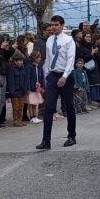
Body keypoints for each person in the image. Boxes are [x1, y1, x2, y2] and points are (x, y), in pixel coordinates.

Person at [36, 15, 77, 150]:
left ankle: (71, 135)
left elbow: (70, 60)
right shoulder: (49, 40)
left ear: (62, 25)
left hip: (66, 76)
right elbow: (48, 59)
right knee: (48, 108)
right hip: (53, 76)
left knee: (69, 106)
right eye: (52, 25)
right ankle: (46, 140)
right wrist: (46, 75)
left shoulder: (68, 40)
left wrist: (64, 76)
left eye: (56, 25)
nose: (53, 27)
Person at [6, 51, 30, 126]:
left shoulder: (23, 69)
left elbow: (25, 80)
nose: (21, 62)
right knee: (15, 107)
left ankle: (20, 120)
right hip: (14, 92)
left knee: (21, 107)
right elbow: (11, 81)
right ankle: (15, 121)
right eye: (19, 61)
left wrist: (25, 89)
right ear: (15, 61)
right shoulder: (12, 69)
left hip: (22, 91)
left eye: (22, 61)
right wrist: (12, 92)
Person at [26, 49, 45, 123]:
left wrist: (42, 87)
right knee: (31, 103)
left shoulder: (39, 67)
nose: (40, 59)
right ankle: (31, 117)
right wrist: (28, 88)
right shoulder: (29, 67)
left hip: (37, 88)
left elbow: (42, 77)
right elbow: (27, 78)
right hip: (31, 88)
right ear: (34, 58)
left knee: (35, 103)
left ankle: (35, 116)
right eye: (38, 57)